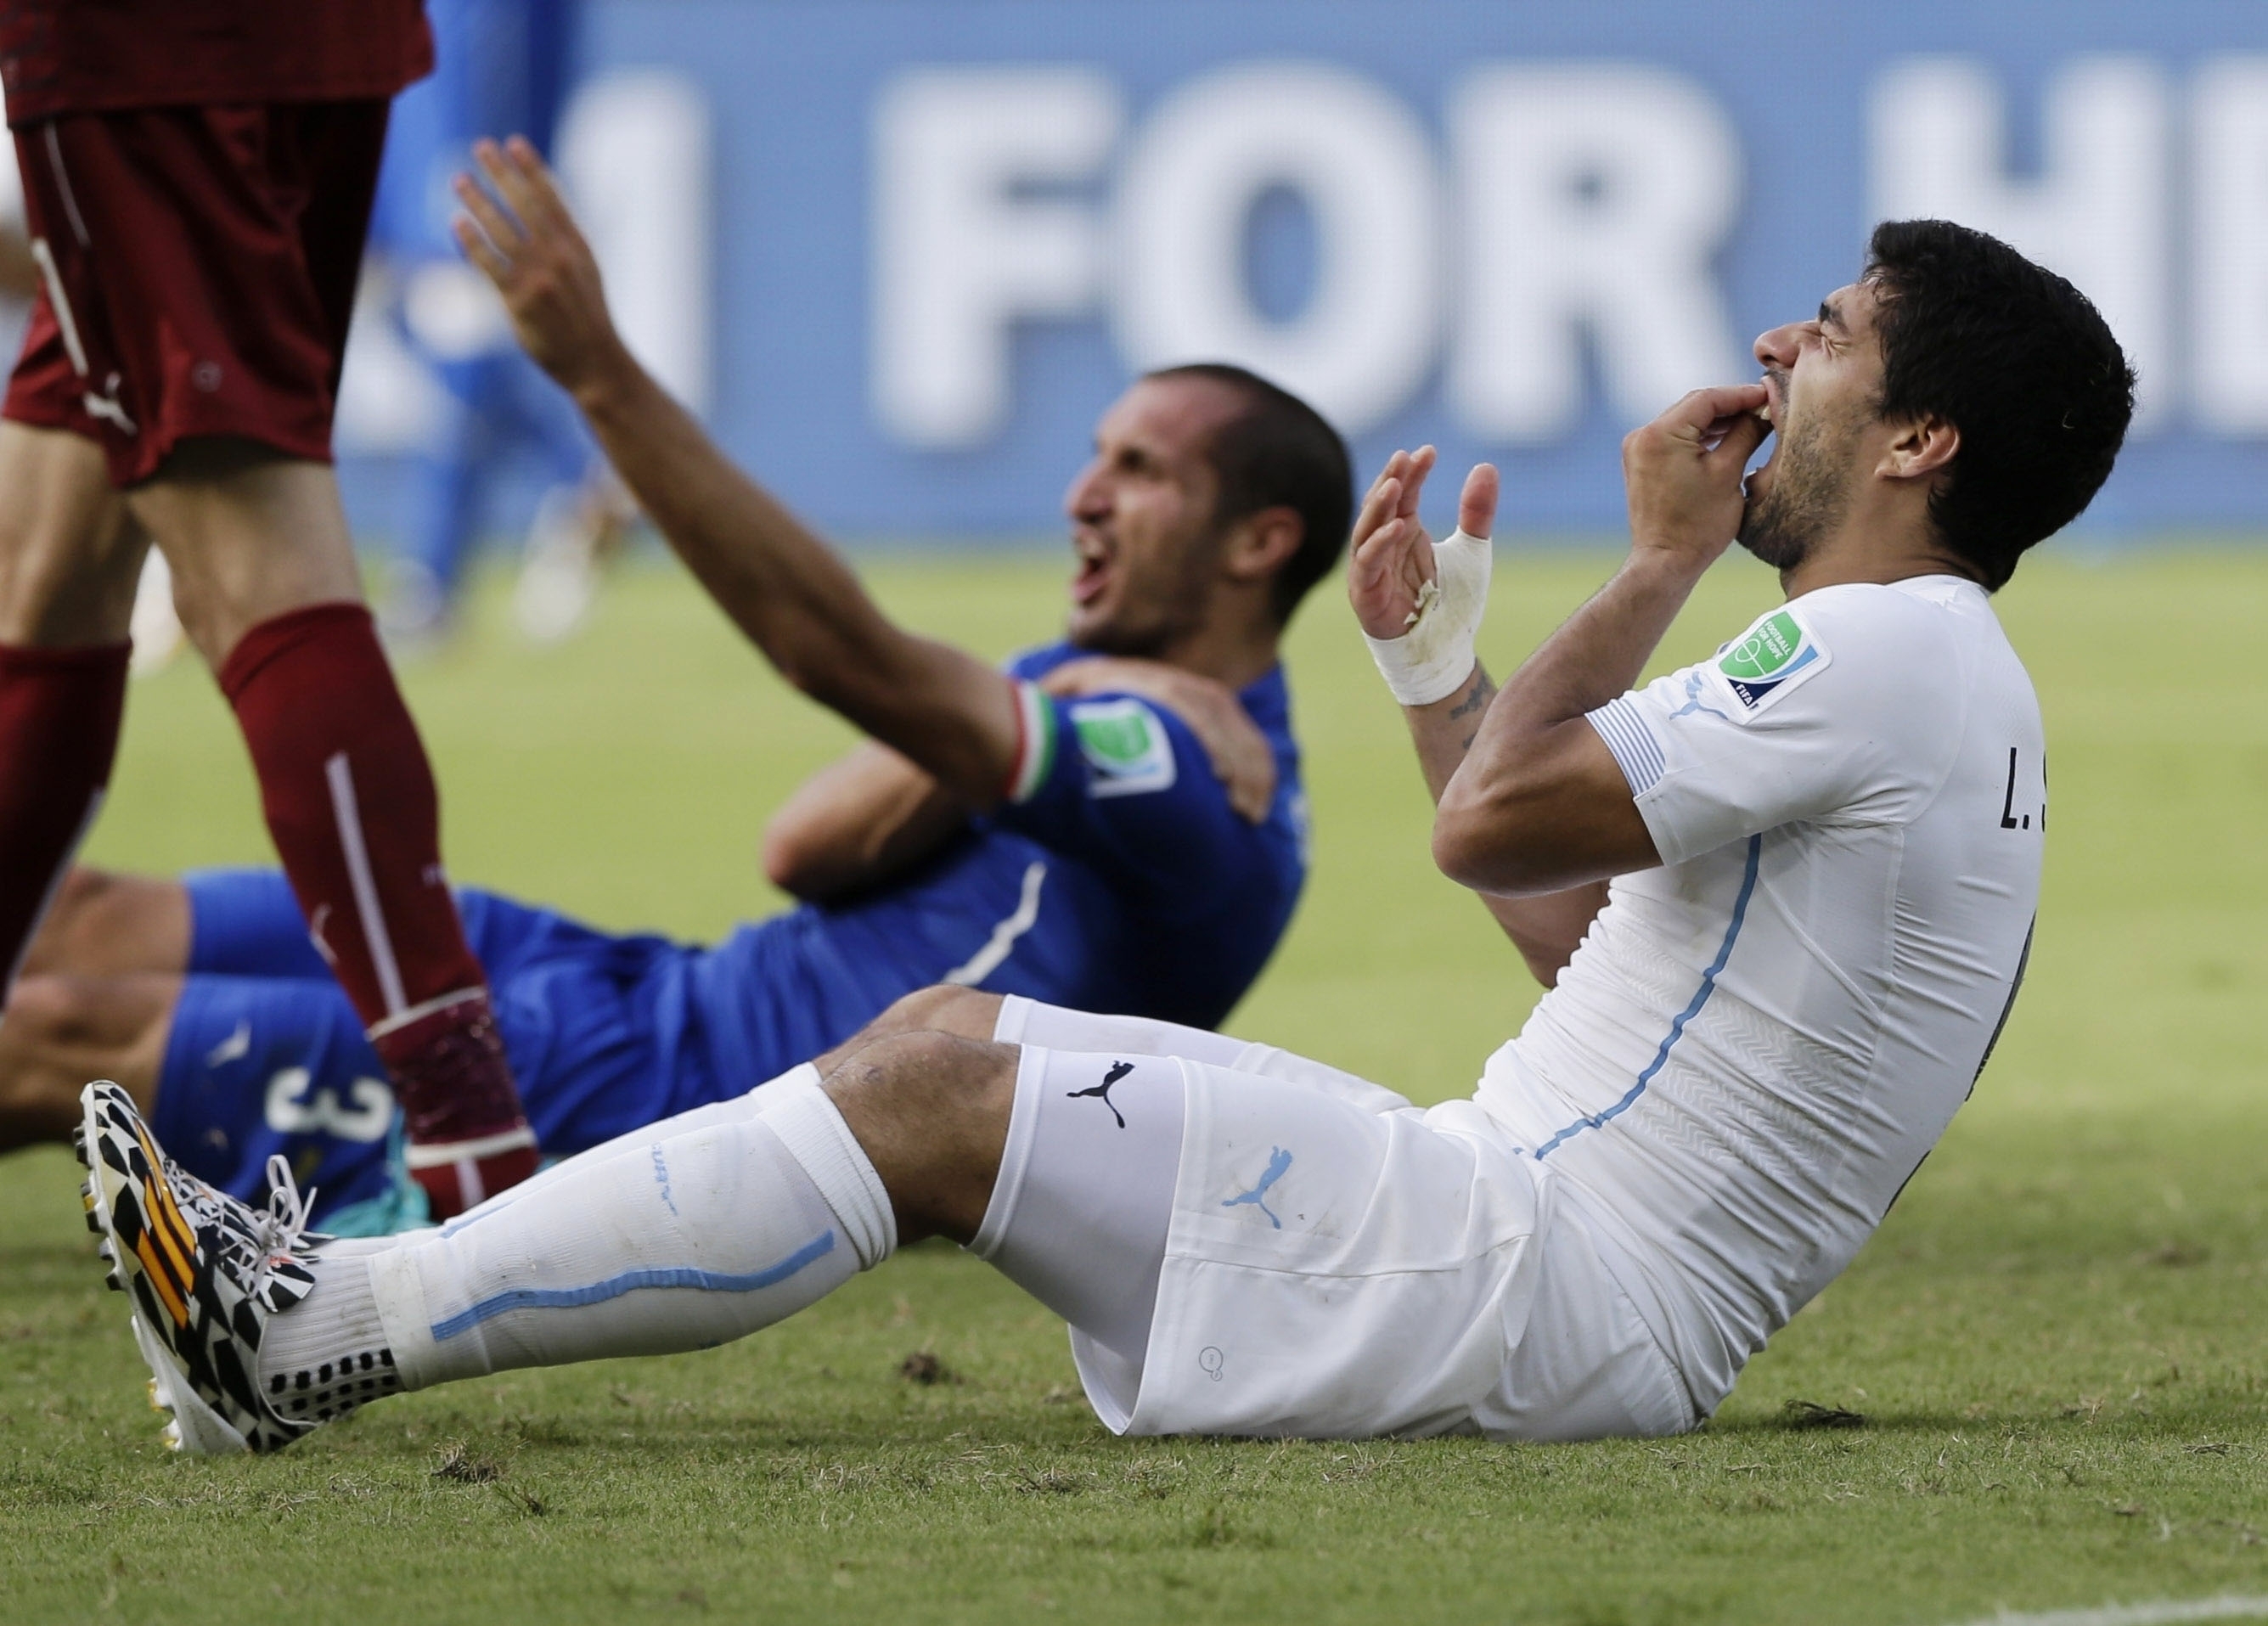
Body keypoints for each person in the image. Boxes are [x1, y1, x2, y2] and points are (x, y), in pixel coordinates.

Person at [82, 215, 2134, 1456]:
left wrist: (1658, 565)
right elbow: (1573, 937)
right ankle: (305, 1329)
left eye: (1834, 333)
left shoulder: (1879, 652)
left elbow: (1499, 824)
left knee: (935, 1075)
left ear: (1922, 438)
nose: (1779, 350)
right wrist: (1435, 675)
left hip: (1535, 1275)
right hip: (1543, 1258)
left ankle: (316, 1334)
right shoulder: (1925, 677)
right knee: (938, 1083)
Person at [7, 148, 1346, 1235]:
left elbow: (843, 661)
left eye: (1140, 472)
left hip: (667, 1102)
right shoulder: (1091, 694)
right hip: (638, 986)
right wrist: (1033, 694)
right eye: (1095, 456)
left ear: (1257, 544)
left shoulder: (1192, 770)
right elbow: (803, 848)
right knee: (69, 916)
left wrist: (598, 372)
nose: (1082, 498)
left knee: (58, 1034)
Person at [0, 0, 543, 1220]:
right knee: (49, 556)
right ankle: (471, 1130)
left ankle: (473, 1145)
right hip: (327, 38)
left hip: (137, 51)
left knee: (247, 534)